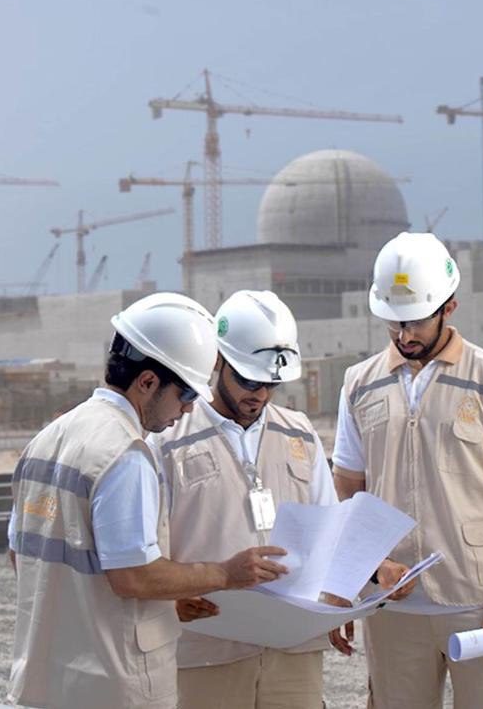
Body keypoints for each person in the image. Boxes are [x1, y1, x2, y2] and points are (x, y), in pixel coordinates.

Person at [7, 293, 290, 709]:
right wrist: (225, 573)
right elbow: (134, 577)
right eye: (186, 396)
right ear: (147, 382)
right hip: (114, 683)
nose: (188, 410)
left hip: (48, 678)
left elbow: (22, 558)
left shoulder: (47, 440)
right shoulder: (125, 454)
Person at [332, 233, 483, 709]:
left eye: (414, 322)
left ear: (449, 307)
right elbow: (348, 490)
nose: (403, 335)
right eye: (392, 322)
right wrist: (353, 581)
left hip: (477, 605)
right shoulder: (360, 385)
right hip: (392, 606)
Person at [152, 290, 368, 709]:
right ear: (217, 361)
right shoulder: (168, 440)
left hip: (293, 650)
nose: (261, 396)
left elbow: (330, 527)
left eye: (271, 384)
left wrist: (338, 598)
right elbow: (148, 549)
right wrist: (170, 600)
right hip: (208, 649)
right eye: (249, 381)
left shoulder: (300, 433)